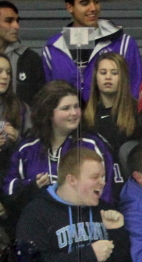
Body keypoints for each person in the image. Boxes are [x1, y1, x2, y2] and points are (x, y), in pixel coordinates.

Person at [4, 80, 114, 224]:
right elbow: (9, 192)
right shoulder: (27, 149)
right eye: (66, 108)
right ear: (49, 112)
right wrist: (33, 186)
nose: (74, 113)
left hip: (84, 228)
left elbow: (107, 192)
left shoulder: (92, 145)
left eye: (76, 106)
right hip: (38, 228)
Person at [42, 0, 142, 100]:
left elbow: (137, 91)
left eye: (96, 1)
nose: (93, 8)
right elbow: (49, 100)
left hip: (114, 119)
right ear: (69, 7)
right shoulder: (52, 50)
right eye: (85, 3)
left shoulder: (124, 43)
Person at [82, 52, 136, 161]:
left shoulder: (136, 111)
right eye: (103, 72)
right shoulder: (84, 111)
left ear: (123, 77)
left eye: (114, 73)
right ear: (96, 76)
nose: (108, 77)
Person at [0, 1, 45, 104]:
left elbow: (40, 103)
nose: (16, 26)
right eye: (9, 21)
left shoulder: (31, 59)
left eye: (17, 21)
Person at [0, 53, 31, 194]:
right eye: (0, 71)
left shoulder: (21, 108)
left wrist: (17, 138)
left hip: (10, 181)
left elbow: (34, 148)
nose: (5, 76)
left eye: (8, 72)